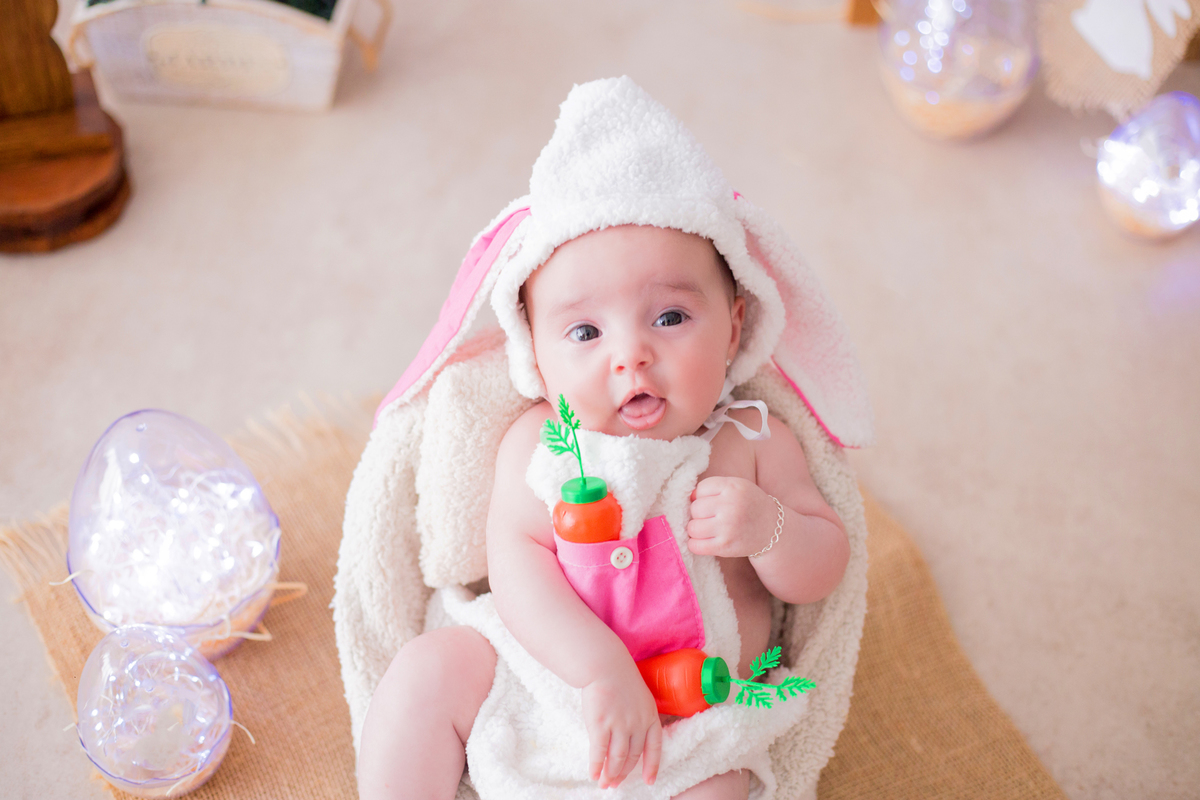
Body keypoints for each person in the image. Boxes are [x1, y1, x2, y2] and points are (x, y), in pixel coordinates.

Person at [356, 220, 849, 799]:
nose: (631, 356)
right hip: (538, 680)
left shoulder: (754, 441)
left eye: (670, 318)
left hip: (684, 732)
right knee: (428, 671)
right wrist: (599, 670)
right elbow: (517, 567)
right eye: (586, 331)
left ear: (733, 330)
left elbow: (823, 571)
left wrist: (770, 529)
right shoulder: (544, 443)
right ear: (536, 358)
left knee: (721, 788)